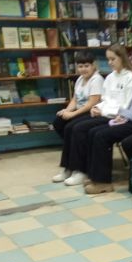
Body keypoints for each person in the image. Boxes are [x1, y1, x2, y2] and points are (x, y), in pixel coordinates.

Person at [80, 56, 132, 195]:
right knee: (93, 132)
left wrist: (119, 111)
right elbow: (131, 110)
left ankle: (103, 182)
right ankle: (94, 176)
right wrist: (122, 115)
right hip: (129, 121)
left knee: (102, 136)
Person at [62, 44, 132, 186]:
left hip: (118, 117)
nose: (110, 62)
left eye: (113, 59)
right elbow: (105, 99)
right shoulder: (110, 77)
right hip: (105, 113)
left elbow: (125, 105)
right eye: (108, 59)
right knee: (73, 127)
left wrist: (103, 110)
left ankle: (82, 171)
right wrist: (97, 107)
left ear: (122, 58)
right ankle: (74, 169)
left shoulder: (130, 77)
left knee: (83, 130)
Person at [52, 51, 104, 183]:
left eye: (86, 66)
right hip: (80, 111)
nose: (83, 69)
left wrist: (72, 114)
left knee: (71, 128)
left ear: (93, 65)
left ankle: (79, 170)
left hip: (93, 112)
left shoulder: (97, 80)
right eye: (80, 66)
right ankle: (68, 167)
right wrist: (66, 110)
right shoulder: (80, 79)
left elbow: (91, 103)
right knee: (58, 122)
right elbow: (75, 100)